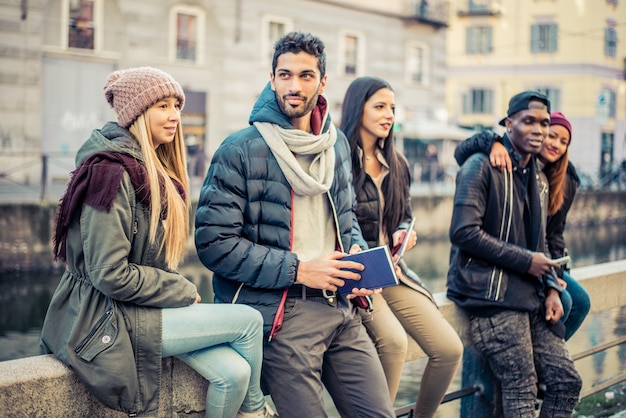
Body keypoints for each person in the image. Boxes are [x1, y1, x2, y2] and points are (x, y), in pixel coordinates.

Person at [40, 67, 274, 418]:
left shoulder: (147, 170)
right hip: (104, 318)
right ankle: (257, 414)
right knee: (249, 321)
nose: (175, 116)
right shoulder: (111, 174)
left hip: (135, 309)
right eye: (163, 106)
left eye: (176, 105)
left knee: (235, 372)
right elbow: (110, 274)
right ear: (137, 113)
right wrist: (177, 288)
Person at [194, 32, 395, 417]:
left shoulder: (334, 144)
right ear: (271, 79)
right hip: (283, 317)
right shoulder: (239, 149)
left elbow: (346, 218)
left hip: (342, 306)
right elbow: (214, 244)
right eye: (285, 75)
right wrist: (301, 270)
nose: (294, 85)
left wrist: (354, 251)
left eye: (305, 76)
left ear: (322, 83)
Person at [446, 91, 582, 417]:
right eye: (529, 121)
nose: (539, 130)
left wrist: (551, 286)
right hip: (491, 297)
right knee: (521, 391)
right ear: (509, 124)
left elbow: (543, 242)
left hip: (529, 296)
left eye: (544, 123)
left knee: (567, 382)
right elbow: (463, 232)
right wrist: (527, 261)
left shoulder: (539, 175)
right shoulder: (481, 165)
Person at [340, 76, 463, 417]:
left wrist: (405, 232)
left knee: (449, 348)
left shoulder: (397, 163)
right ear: (357, 109)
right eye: (379, 106)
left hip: (394, 271)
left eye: (392, 107)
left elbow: (405, 216)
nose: (389, 114)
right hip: (359, 276)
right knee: (393, 343)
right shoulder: (340, 163)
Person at [454, 111, 591, 341]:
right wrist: (493, 143)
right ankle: (538, 359)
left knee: (579, 302)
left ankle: (546, 359)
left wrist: (555, 274)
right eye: (552, 136)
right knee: (565, 302)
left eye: (563, 142)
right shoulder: (515, 162)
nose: (556, 144)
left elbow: (554, 235)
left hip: (540, 258)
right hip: (508, 256)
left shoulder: (565, 180)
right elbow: (463, 150)